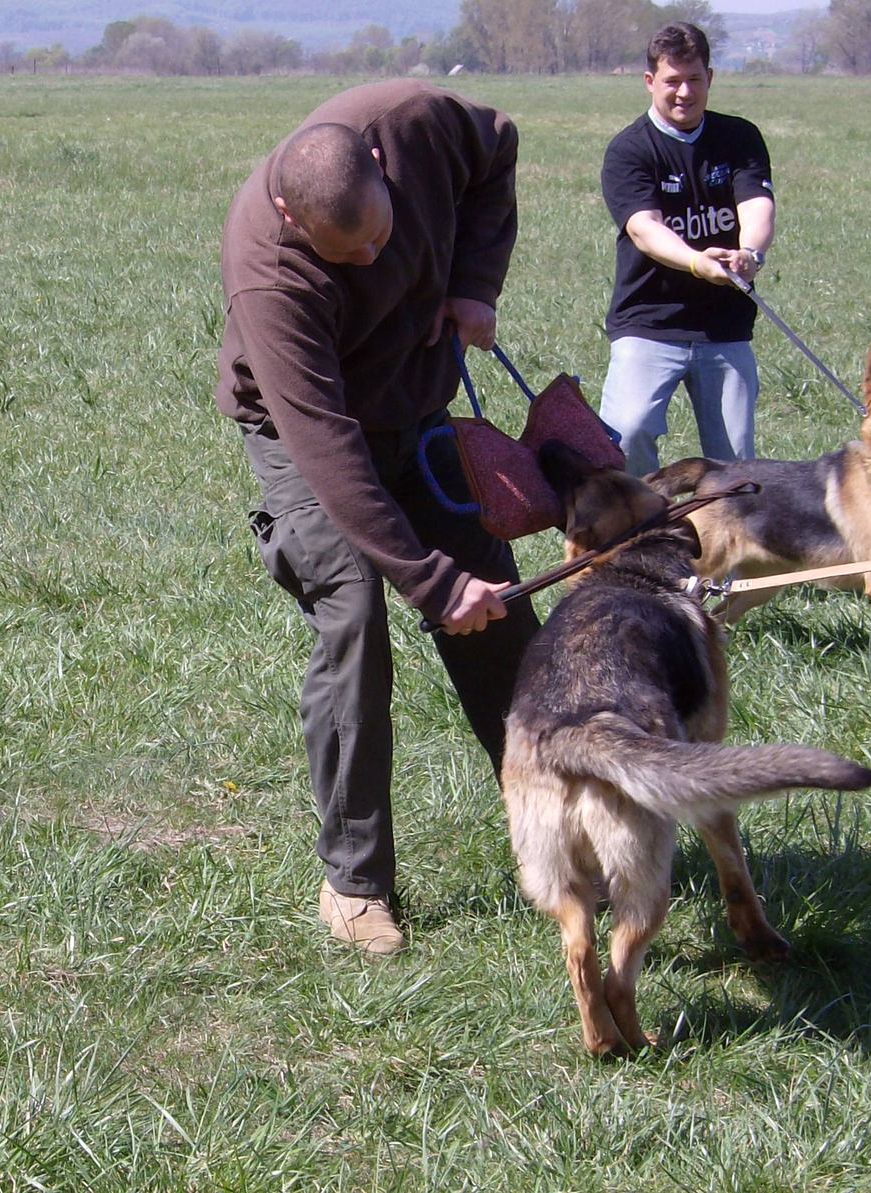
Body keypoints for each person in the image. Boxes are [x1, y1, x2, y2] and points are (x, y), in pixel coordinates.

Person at [216, 80, 541, 955]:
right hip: (307, 435)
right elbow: (329, 453)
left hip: (418, 403)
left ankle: (554, 830)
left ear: (380, 167)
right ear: (291, 217)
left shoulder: (416, 123)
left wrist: (475, 281)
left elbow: (497, 149)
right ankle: (355, 885)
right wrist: (433, 584)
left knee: (502, 606)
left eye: (383, 239)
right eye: (345, 255)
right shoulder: (269, 278)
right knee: (354, 607)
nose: (372, 264)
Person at [598, 22, 776, 476]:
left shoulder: (739, 138)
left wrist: (749, 253)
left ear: (710, 79)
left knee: (736, 463)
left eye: (694, 79)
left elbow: (757, 203)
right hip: (648, 322)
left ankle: (724, 540)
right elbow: (644, 229)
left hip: (724, 327)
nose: (684, 92)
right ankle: (638, 534)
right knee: (626, 434)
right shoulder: (629, 150)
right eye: (672, 80)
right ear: (650, 82)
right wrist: (698, 262)